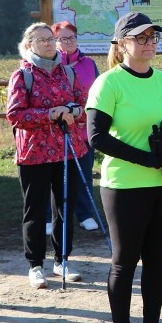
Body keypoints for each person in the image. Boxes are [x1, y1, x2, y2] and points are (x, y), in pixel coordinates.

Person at [87, 11, 162, 323]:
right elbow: (97, 136)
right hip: (125, 187)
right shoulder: (109, 83)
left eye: (153, 37)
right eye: (141, 38)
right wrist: (146, 160)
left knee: (156, 262)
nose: (150, 43)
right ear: (121, 45)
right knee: (124, 263)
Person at [7, 22, 88, 289]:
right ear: (29, 45)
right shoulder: (23, 75)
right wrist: (49, 114)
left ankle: (62, 260)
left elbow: (84, 106)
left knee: (65, 207)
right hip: (34, 154)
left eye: (50, 39)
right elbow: (15, 115)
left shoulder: (68, 72)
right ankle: (35, 265)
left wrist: (73, 112)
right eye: (40, 40)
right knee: (35, 210)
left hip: (68, 150)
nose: (48, 43)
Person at [42, 21, 101, 233]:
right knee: (52, 177)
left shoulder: (89, 64)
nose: (68, 42)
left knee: (84, 173)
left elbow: (97, 92)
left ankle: (85, 214)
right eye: (63, 38)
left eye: (72, 38)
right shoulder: (48, 66)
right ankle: (49, 217)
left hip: (83, 128)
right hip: (54, 132)